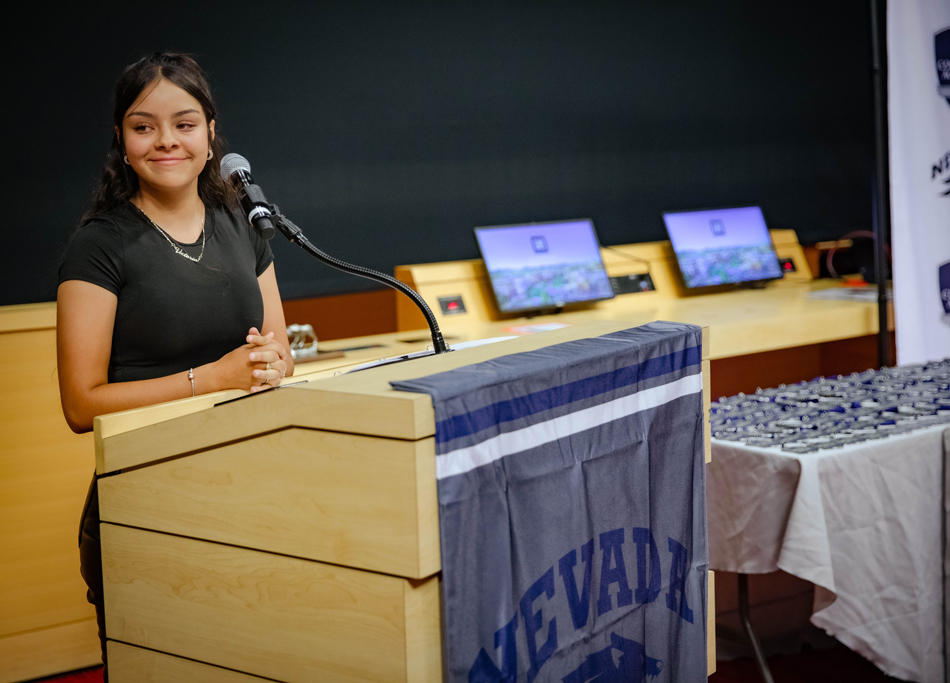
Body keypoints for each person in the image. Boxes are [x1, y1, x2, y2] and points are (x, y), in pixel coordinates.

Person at [56, 52, 294, 677]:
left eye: (184, 124)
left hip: (249, 495)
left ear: (211, 132)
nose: (166, 141)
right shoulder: (99, 244)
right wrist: (208, 380)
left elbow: (279, 350)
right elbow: (81, 405)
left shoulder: (244, 221)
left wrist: (272, 364)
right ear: (121, 138)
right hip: (144, 505)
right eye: (144, 126)